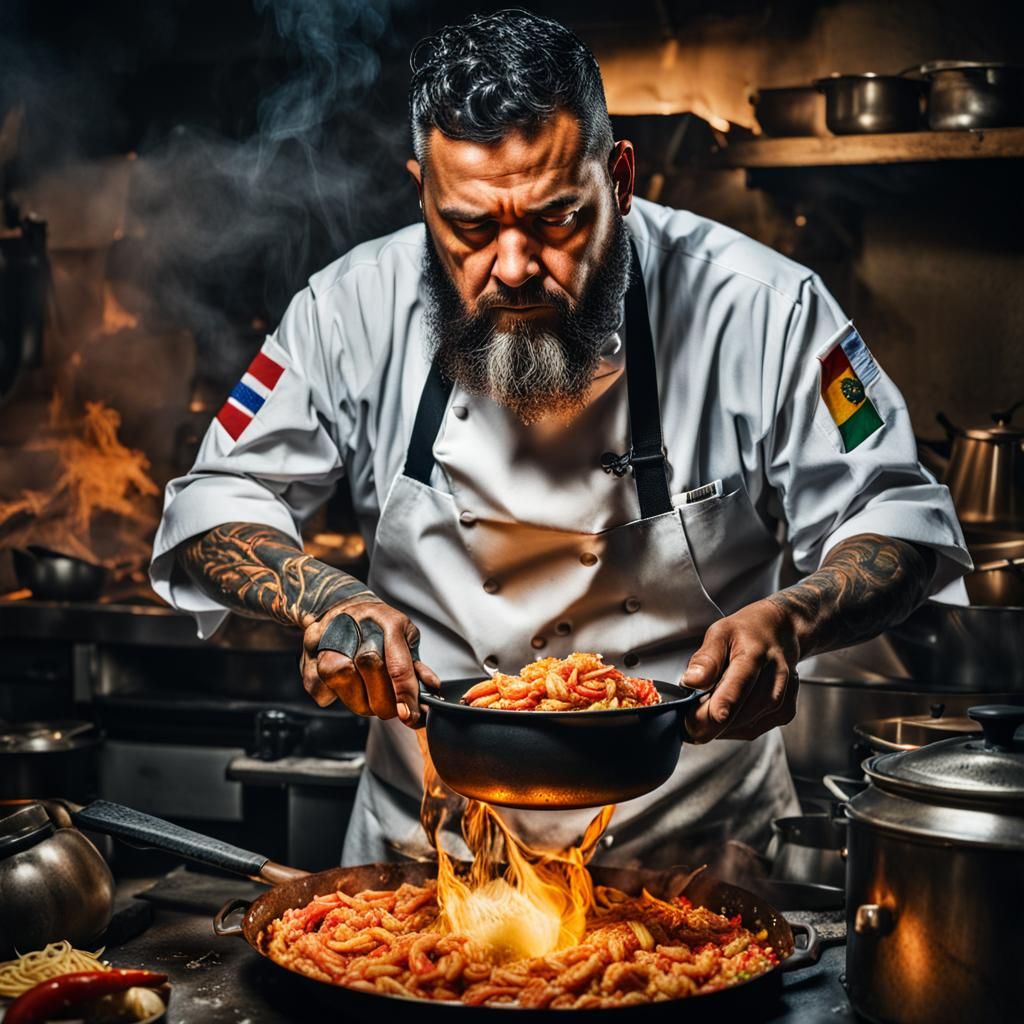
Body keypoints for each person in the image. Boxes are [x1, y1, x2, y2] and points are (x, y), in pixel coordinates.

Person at [150, 10, 970, 867]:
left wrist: (793, 619)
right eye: (469, 227)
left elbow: (897, 516)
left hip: (687, 858)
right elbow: (216, 499)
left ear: (618, 177)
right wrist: (326, 599)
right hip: (426, 870)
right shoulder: (346, 308)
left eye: (555, 220)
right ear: (420, 189)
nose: (511, 266)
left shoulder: (766, 311)